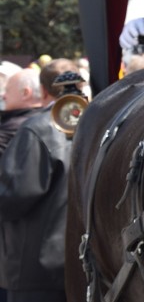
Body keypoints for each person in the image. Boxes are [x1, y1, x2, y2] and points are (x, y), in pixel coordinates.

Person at [0, 79, 71, 302]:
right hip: (78, 262)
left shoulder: (38, 129)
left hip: (36, 268)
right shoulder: (98, 121)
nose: (3, 96)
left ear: (42, 90)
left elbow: (10, 196)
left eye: (6, 91)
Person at [0, 69, 43, 156]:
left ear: (25, 93)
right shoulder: (46, 117)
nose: (3, 96)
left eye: (7, 90)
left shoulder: (17, 125)